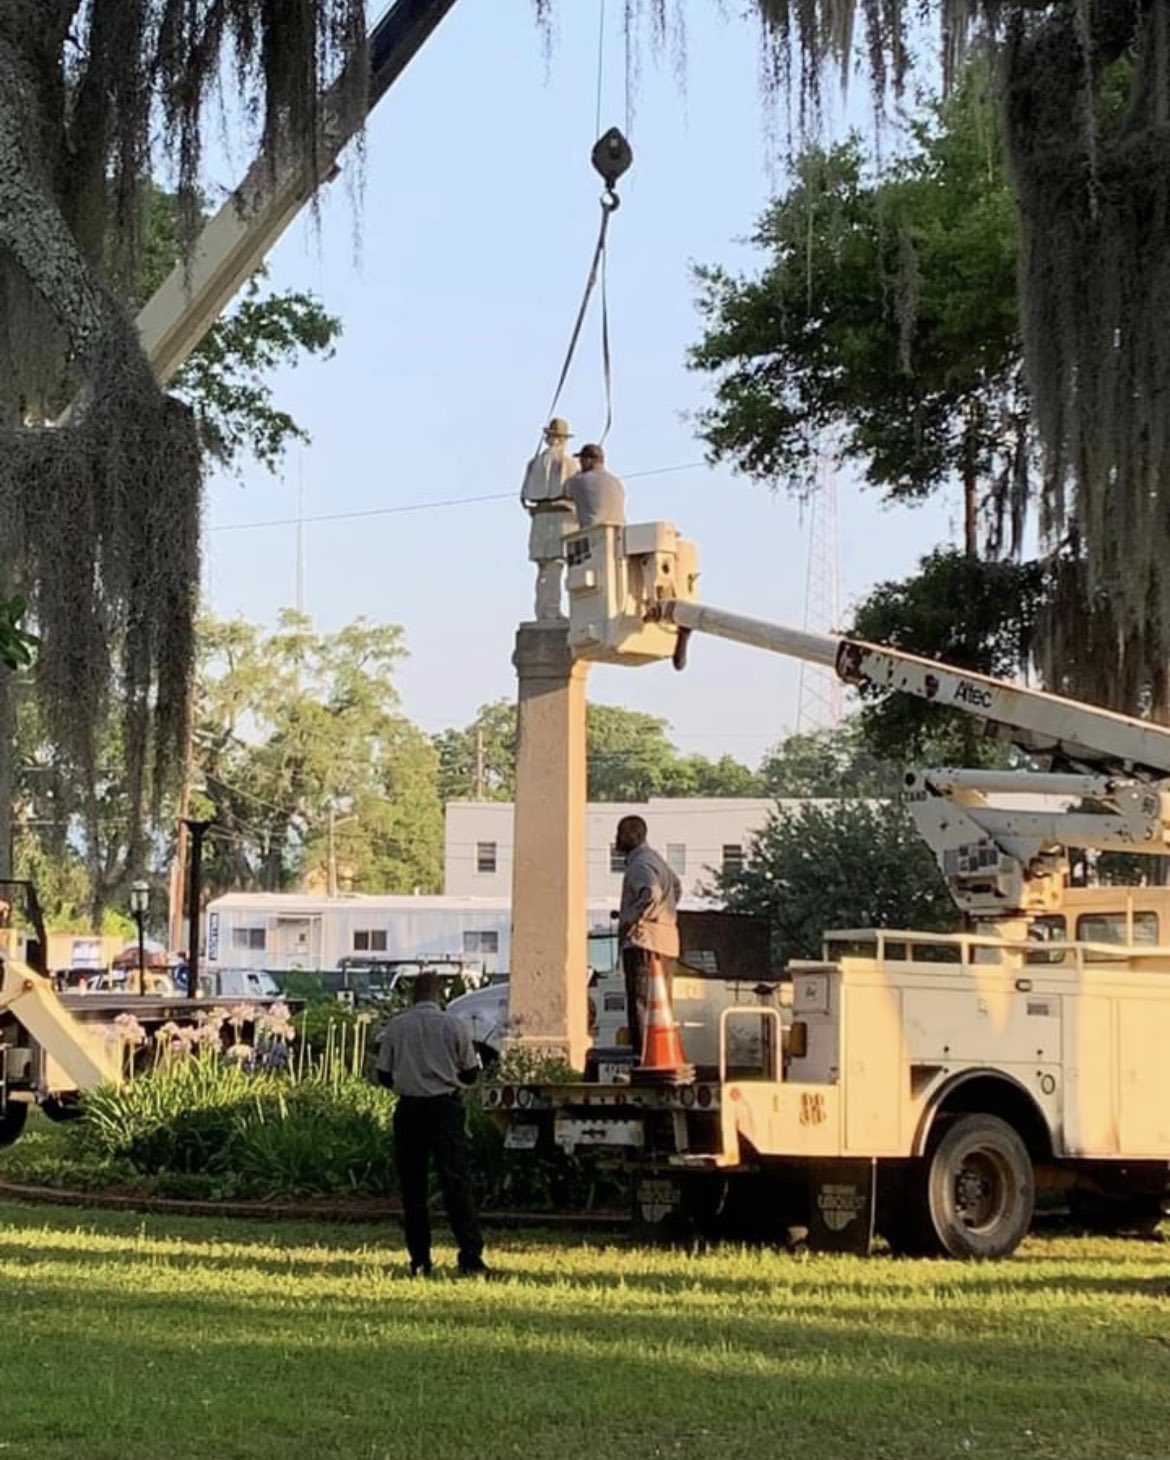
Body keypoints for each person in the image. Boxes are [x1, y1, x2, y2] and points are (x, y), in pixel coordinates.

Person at [375, 971, 491, 1278]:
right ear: (439, 995)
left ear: (414, 995)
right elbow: (470, 1073)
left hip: (410, 1110)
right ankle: (470, 1256)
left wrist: (411, 1077)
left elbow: (383, 1074)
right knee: (456, 1182)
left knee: (413, 1188)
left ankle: (420, 1260)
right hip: (445, 1109)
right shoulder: (454, 1025)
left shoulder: (397, 1027)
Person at [615, 815, 682, 1057]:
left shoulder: (639, 863)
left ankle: (644, 1059)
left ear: (636, 835)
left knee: (641, 1005)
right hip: (667, 943)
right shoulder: (656, 859)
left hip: (644, 943)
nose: (617, 839)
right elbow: (675, 885)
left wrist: (633, 919)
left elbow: (651, 893)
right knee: (661, 1007)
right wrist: (667, 913)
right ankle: (661, 1056)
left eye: (621, 833)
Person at [520, 417, 579, 620]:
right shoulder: (569, 463)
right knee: (555, 565)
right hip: (560, 520)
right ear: (563, 439)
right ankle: (551, 611)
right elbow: (577, 492)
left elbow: (524, 496)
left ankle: (542, 611)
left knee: (543, 568)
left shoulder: (534, 463)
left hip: (539, 520)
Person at [566, 442, 626, 529]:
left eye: (581, 460)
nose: (580, 463)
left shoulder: (578, 481)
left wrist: (576, 474)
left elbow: (565, 491)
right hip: (619, 531)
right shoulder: (616, 481)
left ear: (588, 460)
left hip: (593, 532)